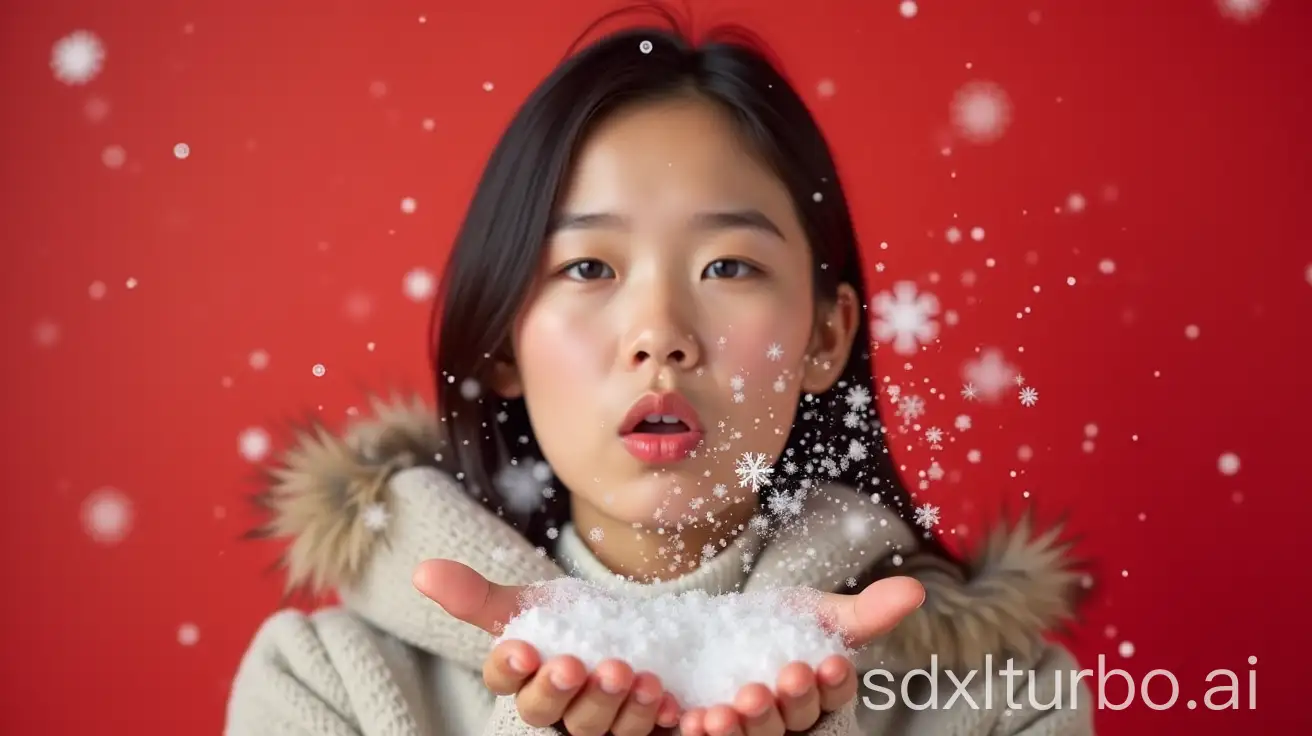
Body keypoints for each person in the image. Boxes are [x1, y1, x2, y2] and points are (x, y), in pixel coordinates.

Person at [226, 10, 1094, 736]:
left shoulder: (1000, 701)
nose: (660, 336)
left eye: (727, 268)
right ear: (499, 348)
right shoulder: (323, 683)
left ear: (825, 339)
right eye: (589, 269)